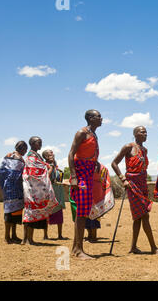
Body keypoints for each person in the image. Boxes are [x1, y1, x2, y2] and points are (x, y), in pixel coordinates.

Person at [111, 126, 158, 255]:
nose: (145, 134)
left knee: (138, 217)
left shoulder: (144, 150)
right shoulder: (128, 147)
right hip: (132, 184)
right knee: (144, 215)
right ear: (135, 134)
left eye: (146, 132)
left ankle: (133, 247)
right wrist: (123, 179)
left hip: (142, 183)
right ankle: (154, 248)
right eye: (142, 132)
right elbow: (114, 163)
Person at [68, 109, 102, 259]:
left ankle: (76, 247)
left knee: (84, 212)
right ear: (90, 118)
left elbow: (89, 154)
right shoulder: (81, 133)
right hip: (80, 175)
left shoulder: (94, 134)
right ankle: (78, 249)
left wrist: (95, 163)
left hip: (88, 174)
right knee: (81, 213)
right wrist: (74, 176)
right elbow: (71, 154)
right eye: (98, 116)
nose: (101, 118)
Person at [22, 137, 59, 245]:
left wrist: (47, 166)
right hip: (32, 189)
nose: (41, 144)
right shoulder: (31, 156)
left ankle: (29, 239)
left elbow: (42, 168)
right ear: (32, 143)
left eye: (41, 142)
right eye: (39, 143)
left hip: (36, 189)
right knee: (30, 212)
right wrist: (48, 167)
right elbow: (34, 172)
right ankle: (26, 239)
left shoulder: (36, 156)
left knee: (32, 212)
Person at [0, 141, 28, 244]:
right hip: (11, 189)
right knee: (9, 213)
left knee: (16, 213)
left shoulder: (20, 158)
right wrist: (5, 185)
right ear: (22, 148)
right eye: (25, 149)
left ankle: (14, 235)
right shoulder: (10, 156)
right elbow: (3, 172)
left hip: (17, 189)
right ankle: (7, 237)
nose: (25, 151)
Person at [42, 149, 67, 240]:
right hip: (49, 192)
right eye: (50, 154)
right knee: (47, 213)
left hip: (58, 192)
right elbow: (45, 177)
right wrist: (51, 168)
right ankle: (45, 235)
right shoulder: (45, 165)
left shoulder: (55, 165)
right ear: (45, 157)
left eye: (52, 153)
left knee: (59, 213)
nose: (52, 155)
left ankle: (60, 235)